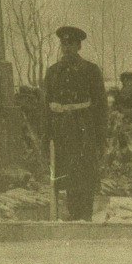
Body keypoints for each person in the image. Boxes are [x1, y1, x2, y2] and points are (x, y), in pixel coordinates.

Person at [43, 26, 107, 221]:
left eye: (71, 44)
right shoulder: (53, 72)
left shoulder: (90, 70)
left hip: (84, 128)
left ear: (79, 46)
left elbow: (101, 106)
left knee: (85, 171)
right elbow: (45, 105)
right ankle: (72, 213)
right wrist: (46, 134)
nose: (67, 47)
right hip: (61, 129)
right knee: (65, 173)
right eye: (64, 44)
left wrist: (100, 137)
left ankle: (85, 214)